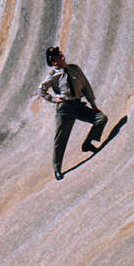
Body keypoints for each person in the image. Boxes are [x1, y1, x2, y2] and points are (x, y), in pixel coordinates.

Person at [39, 46, 107, 180]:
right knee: (60, 140)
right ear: (53, 62)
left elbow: (86, 87)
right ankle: (57, 169)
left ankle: (87, 144)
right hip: (64, 109)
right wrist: (53, 99)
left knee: (101, 119)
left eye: (59, 53)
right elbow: (42, 90)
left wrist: (93, 104)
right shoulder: (53, 75)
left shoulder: (74, 69)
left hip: (78, 105)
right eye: (57, 55)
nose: (61, 55)